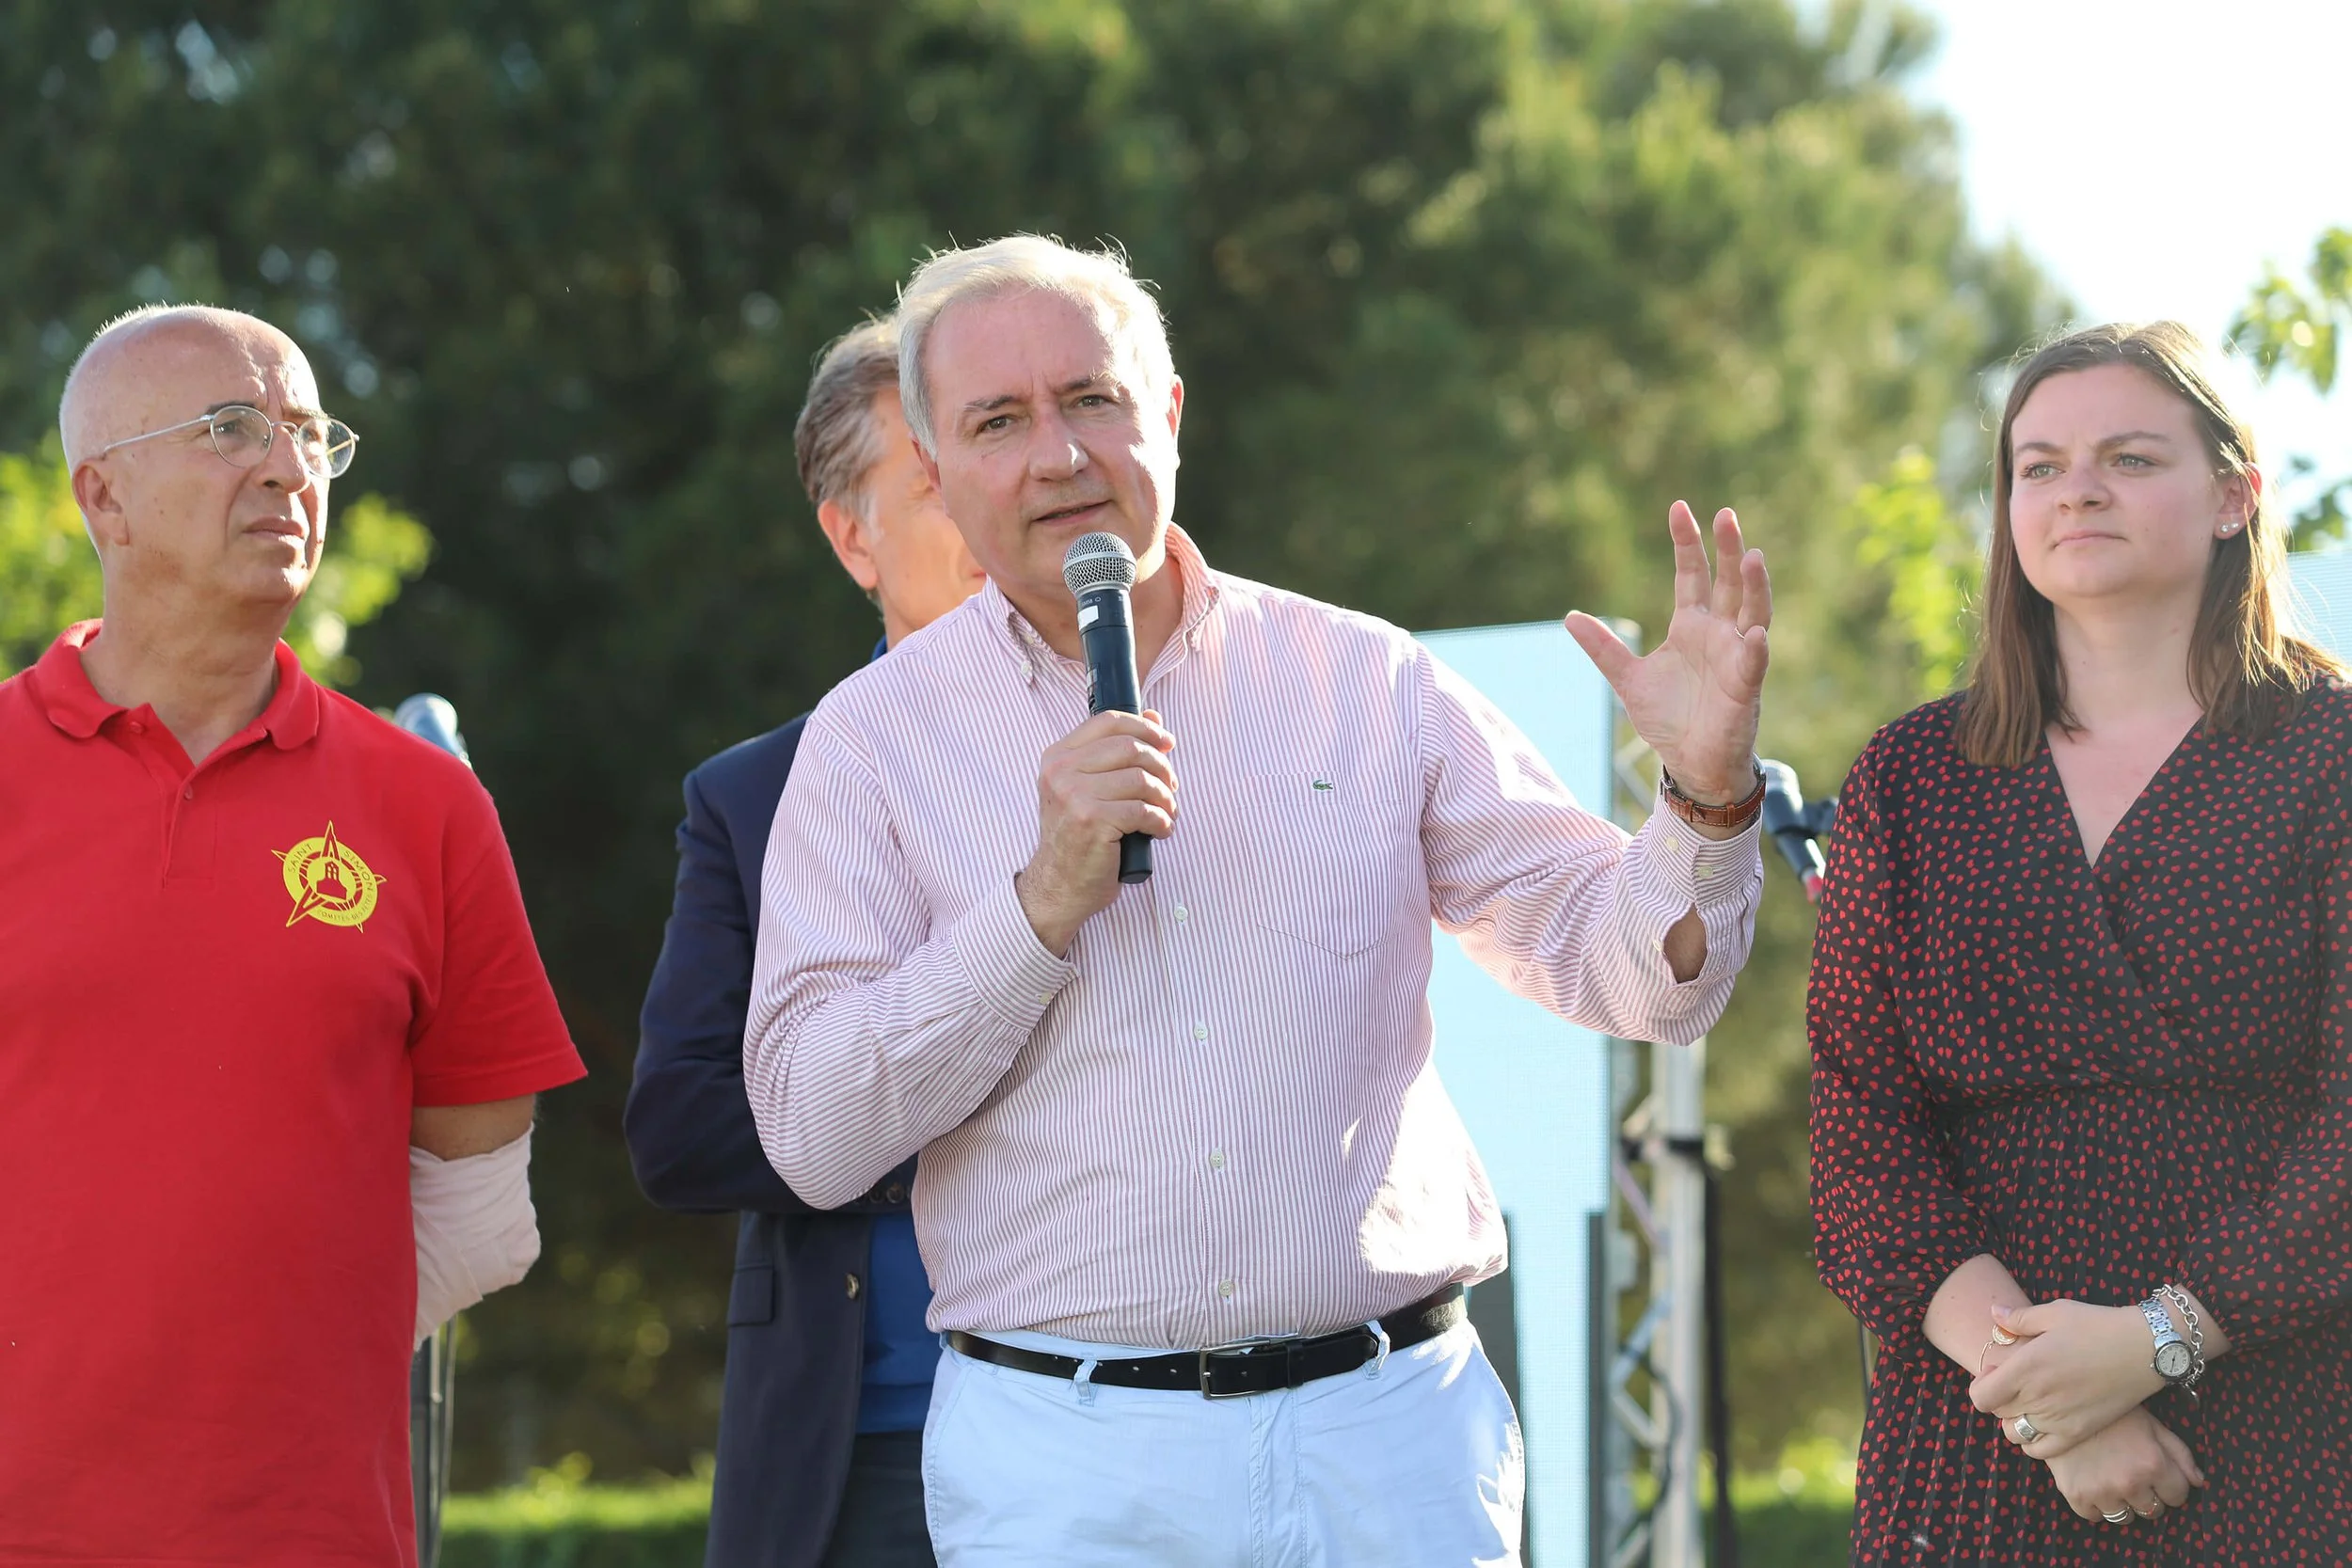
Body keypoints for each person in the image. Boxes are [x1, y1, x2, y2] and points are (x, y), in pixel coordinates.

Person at [744, 234, 1772, 1565]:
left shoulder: (1367, 677)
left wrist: (1701, 800)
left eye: (1092, 399)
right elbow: (814, 1133)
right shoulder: (868, 744)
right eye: (999, 421)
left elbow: (1636, 975)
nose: (1057, 454)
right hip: (1069, 1464)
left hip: (1389, 1439)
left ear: (1167, 414)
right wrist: (1037, 905)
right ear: (935, 475)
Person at [0, 305, 584, 1565]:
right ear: (103, 498)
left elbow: (483, 1210)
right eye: (230, 429)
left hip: (316, 1533)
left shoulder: (427, 804)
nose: (286, 465)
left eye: (311, 432)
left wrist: (273, 1347)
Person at [1808, 320, 2352, 1563]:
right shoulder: (1912, 775)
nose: (2077, 490)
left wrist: (2163, 1336)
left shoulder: (2332, 757)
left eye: (2128, 457)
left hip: (2283, 1401)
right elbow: (1858, 1123)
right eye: (2038, 465)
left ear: (2233, 496)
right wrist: (2047, 1393)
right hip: (1975, 1424)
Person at [627, 314, 984, 1568]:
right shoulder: (755, 795)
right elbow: (680, 1125)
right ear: (853, 538)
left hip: (1141, 1420)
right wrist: (940, 1096)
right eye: (940, 474)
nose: (997, 498)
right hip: (876, 1435)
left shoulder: (1161, 741)